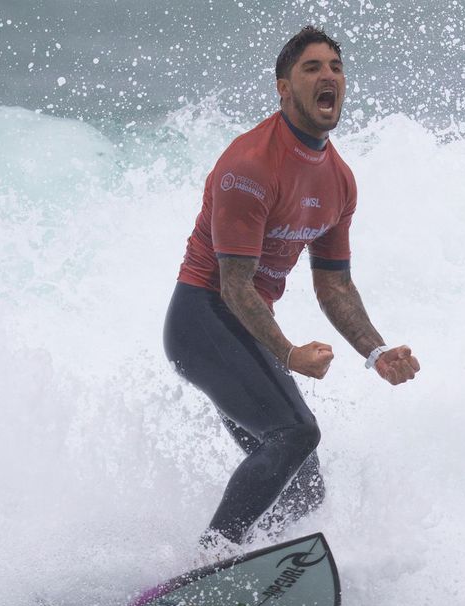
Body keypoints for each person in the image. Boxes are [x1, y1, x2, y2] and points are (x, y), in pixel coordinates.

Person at [164, 25, 420, 552]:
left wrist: (376, 351)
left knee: (304, 485)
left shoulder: (339, 180)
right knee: (294, 435)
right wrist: (287, 352)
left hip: (245, 332)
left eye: (336, 67)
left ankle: (251, 569)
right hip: (201, 321)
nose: (329, 76)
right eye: (312, 68)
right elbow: (235, 287)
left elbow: (335, 286)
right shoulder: (249, 167)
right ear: (283, 87)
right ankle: (211, 560)